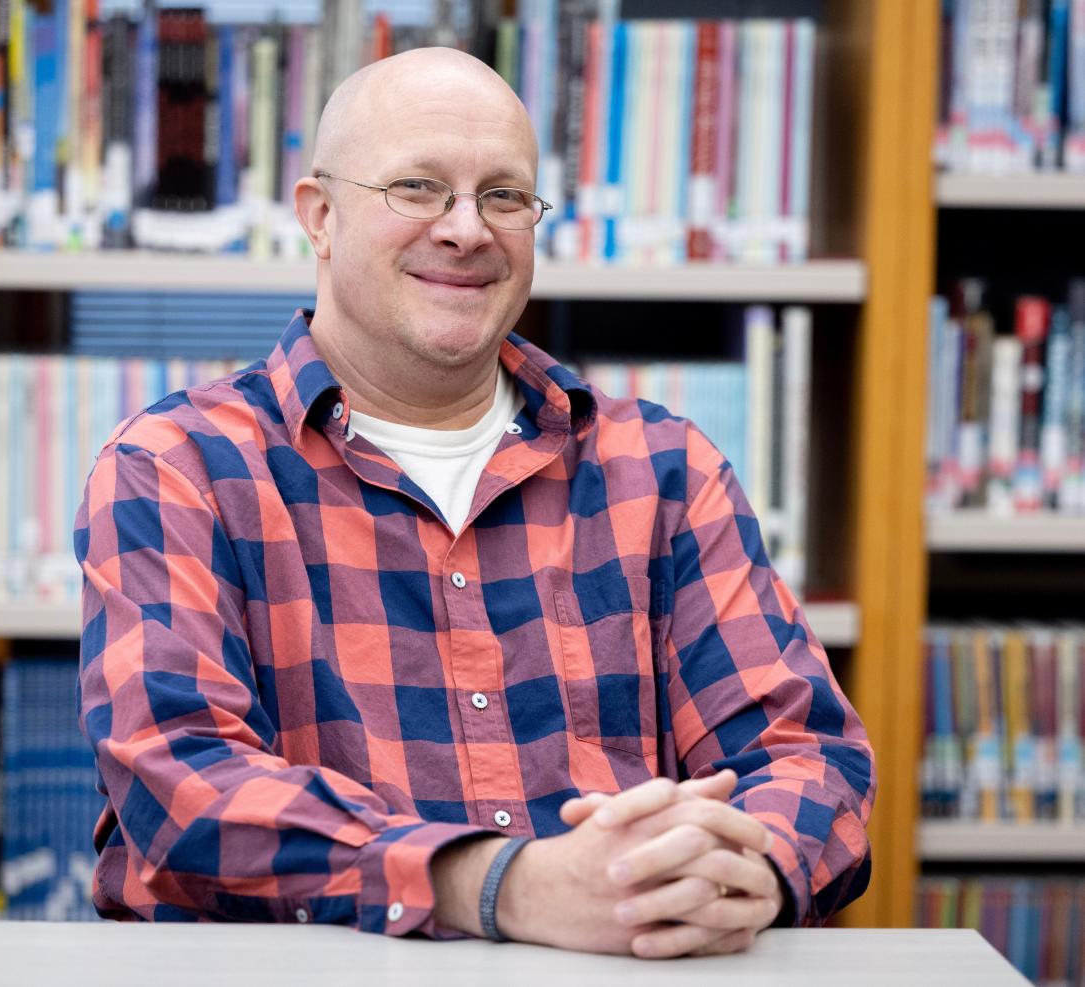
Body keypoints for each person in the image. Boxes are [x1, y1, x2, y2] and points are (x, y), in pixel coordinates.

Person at [75, 46, 874, 959]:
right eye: (417, 187)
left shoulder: (665, 469)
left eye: (504, 195)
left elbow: (808, 756)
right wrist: (501, 883)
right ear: (321, 216)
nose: (467, 229)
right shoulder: (176, 466)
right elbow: (179, 784)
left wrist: (732, 873)